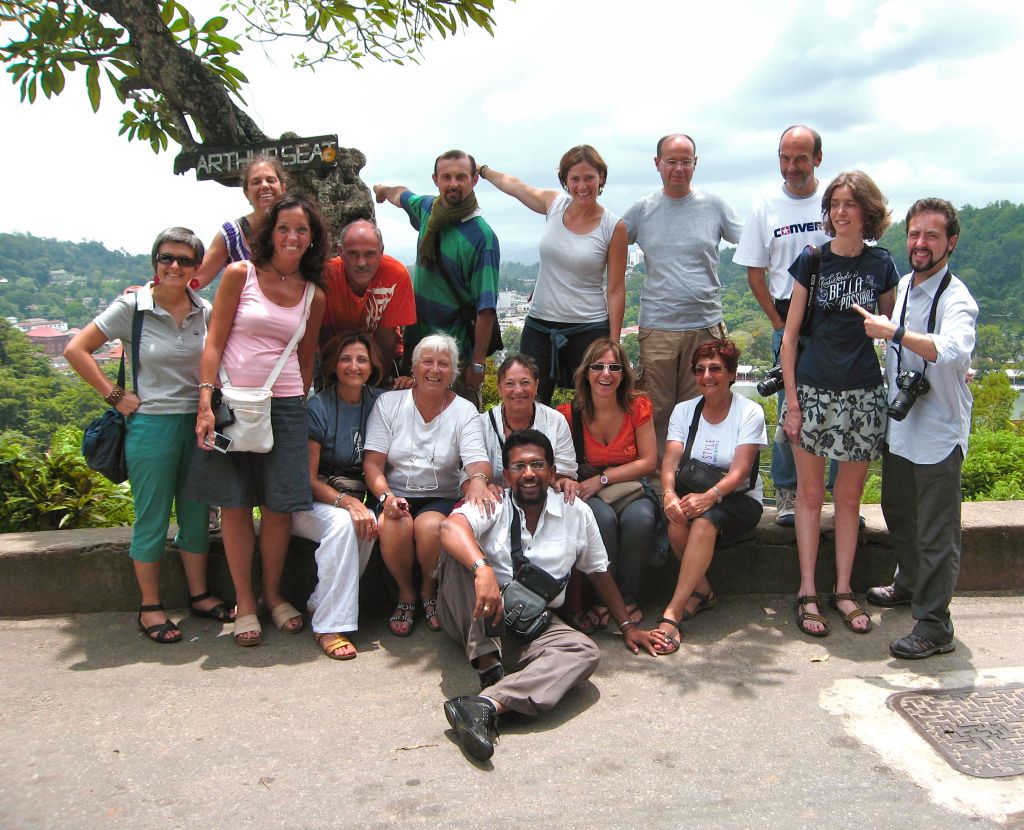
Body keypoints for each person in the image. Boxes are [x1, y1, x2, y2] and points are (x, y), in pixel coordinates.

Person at [437, 429, 657, 762]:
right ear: (507, 475)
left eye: (537, 465)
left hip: (530, 622)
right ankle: (487, 666)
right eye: (518, 466)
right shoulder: (494, 503)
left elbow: (598, 570)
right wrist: (483, 570)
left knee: (584, 652)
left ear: (552, 473)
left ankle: (484, 705)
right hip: (477, 613)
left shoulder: (576, 512)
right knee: (458, 554)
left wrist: (626, 625)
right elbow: (449, 528)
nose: (528, 473)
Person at [64, 228, 230, 642]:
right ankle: (151, 606)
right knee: (152, 517)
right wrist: (115, 395)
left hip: (196, 423)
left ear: (196, 269)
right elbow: (76, 350)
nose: (174, 266)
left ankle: (199, 594)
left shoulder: (203, 311)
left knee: (195, 516)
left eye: (184, 260)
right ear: (155, 263)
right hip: (151, 425)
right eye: (166, 258)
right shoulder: (132, 308)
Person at [191, 192, 327, 647]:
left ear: (312, 240)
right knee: (234, 503)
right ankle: (244, 602)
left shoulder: (313, 295)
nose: (292, 237)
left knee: (276, 508)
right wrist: (206, 400)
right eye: (284, 228)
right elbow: (213, 342)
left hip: (285, 406)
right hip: (230, 401)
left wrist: (296, 403)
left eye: (302, 230)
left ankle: (272, 594)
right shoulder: (239, 274)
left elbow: (306, 363)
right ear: (269, 233)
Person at [854, 199, 978, 659]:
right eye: (914, 234)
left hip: (940, 434)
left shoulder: (957, 298)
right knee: (898, 513)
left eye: (931, 235)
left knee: (937, 534)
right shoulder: (904, 285)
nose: (920, 243)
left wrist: (896, 335)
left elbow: (952, 348)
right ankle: (907, 583)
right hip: (902, 429)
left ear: (951, 242)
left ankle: (934, 624)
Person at [781, 171, 898, 638]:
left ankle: (844, 589)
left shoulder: (881, 265)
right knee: (810, 497)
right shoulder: (813, 260)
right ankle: (807, 590)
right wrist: (791, 403)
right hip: (813, 390)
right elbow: (789, 338)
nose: (840, 211)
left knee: (848, 499)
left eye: (850, 203)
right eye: (834, 203)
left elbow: (891, 332)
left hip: (863, 393)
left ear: (867, 211)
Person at [362, 333, 493, 636]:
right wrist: (387, 496)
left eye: (444, 364)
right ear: (415, 367)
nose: (435, 370)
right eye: (428, 362)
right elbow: (372, 463)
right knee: (393, 524)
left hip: (440, 495)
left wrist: (478, 480)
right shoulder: (389, 403)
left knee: (430, 527)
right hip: (394, 492)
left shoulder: (464, 410)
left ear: (454, 372)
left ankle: (427, 589)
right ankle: (405, 593)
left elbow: (477, 460)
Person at [733, 125, 832, 526]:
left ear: (817, 159)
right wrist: (778, 323)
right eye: (785, 158)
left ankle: (838, 499)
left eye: (800, 159)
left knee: (840, 412)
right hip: (787, 318)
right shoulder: (766, 207)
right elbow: (755, 272)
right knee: (790, 411)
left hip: (834, 321)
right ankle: (788, 496)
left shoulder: (835, 201)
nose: (791, 167)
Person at [622, 134, 743, 452]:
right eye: (672, 161)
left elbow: (751, 242)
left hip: (704, 325)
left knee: (703, 408)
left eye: (685, 161)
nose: (679, 168)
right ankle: (659, 488)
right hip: (658, 326)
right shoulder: (642, 210)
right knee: (657, 411)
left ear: (696, 163)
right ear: (657, 163)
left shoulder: (714, 206)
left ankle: (694, 484)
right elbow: (606, 242)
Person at [478, 147, 627, 404]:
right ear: (565, 181)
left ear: (601, 178)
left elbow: (615, 289)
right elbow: (515, 186)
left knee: (591, 406)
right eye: (575, 179)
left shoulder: (613, 227)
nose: (582, 186)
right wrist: (482, 171)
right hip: (540, 325)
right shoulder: (554, 205)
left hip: (588, 328)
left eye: (589, 178)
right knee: (529, 401)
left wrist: (612, 347)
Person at [651, 339, 767, 655]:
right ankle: (703, 591)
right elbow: (670, 461)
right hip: (695, 494)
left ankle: (673, 611)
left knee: (703, 522)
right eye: (700, 369)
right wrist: (669, 494)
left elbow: (741, 471)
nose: (707, 376)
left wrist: (711, 497)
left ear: (730, 373)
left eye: (715, 368)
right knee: (676, 517)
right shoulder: (685, 411)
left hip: (739, 498)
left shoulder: (749, 412)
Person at [373, 150, 500, 407]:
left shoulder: (481, 237)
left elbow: (485, 309)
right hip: (417, 347)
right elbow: (400, 194)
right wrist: (381, 189)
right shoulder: (428, 210)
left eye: (461, 177)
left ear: (474, 180)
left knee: (455, 428)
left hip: (454, 355)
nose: (453, 184)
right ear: (436, 179)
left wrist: (476, 365)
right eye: (447, 177)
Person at [291, 332, 384, 660]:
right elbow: (307, 477)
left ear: (372, 366)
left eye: (361, 359)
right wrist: (345, 501)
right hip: (311, 502)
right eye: (346, 359)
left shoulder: (379, 401)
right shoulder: (319, 406)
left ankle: (320, 601)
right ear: (333, 365)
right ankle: (328, 625)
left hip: (353, 500)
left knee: (368, 523)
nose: (354, 366)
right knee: (347, 524)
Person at [556, 338, 657, 629]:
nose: (606, 374)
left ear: (624, 373)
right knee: (601, 519)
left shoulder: (638, 406)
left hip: (629, 487)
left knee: (642, 519)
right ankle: (601, 600)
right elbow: (559, 465)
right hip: (589, 491)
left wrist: (602, 479)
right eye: (598, 366)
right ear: (585, 373)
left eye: (614, 367)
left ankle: (627, 597)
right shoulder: (568, 414)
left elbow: (649, 461)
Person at [319, 219, 416, 378]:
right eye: (353, 254)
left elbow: (386, 336)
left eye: (370, 254)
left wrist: (379, 382)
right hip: (336, 361)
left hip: (383, 359)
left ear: (381, 251)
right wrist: (332, 379)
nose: (361, 263)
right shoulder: (327, 276)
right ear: (340, 252)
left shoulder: (395, 274)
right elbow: (325, 335)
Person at [473, 353, 578, 495]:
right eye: (510, 383)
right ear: (499, 388)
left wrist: (564, 481)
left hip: (544, 501)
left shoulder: (556, 421)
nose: (518, 390)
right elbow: (468, 474)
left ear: (536, 386)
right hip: (494, 504)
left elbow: (565, 470)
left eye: (525, 382)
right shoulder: (481, 424)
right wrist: (484, 487)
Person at [194, 156, 288, 287]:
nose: (265, 185)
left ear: (283, 188)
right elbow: (197, 281)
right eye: (256, 182)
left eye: (270, 180)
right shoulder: (232, 234)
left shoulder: (299, 232)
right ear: (246, 193)